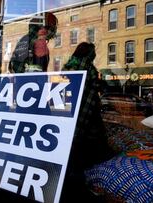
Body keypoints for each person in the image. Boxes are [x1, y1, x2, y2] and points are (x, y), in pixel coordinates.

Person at [61, 42, 114, 202]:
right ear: (88, 54)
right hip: (84, 118)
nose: (95, 55)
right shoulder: (88, 70)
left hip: (69, 119)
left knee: (73, 155)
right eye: (93, 53)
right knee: (82, 158)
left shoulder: (67, 68)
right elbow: (91, 94)